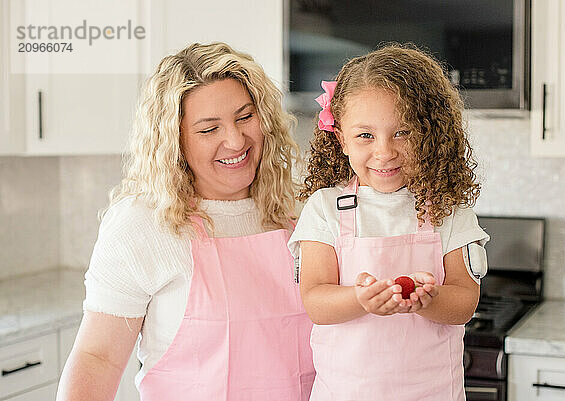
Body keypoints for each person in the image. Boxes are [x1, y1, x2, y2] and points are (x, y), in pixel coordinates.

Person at [57, 42, 315, 401]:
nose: (236, 140)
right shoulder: (143, 224)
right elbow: (96, 358)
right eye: (210, 129)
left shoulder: (302, 211)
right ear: (174, 142)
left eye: (244, 117)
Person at [288, 43, 489, 401]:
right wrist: (361, 299)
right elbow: (316, 301)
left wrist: (430, 298)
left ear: (430, 133)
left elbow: (463, 304)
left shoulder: (449, 209)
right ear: (341, 139)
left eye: (403, 132)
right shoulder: (324, 208)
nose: (384, 151)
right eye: (365, 135)